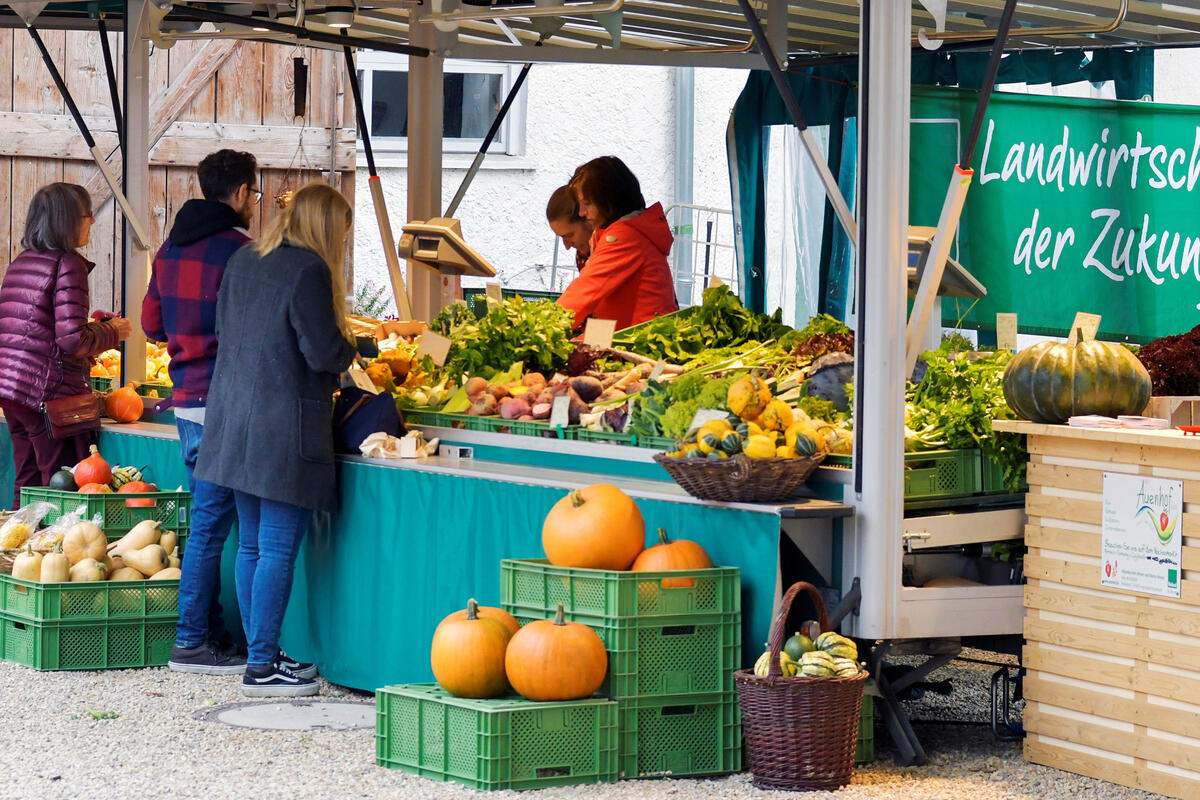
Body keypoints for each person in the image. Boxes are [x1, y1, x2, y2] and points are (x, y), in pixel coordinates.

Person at [195, 182, 357, 698]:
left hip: (232, 420)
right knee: (278, 549)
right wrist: (352, 345)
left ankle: (260, 656)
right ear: (327, 228)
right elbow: (321, 353)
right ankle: (263, 666)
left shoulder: (244, 261)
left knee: (254, 545)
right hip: (285, 426)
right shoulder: (309, 270)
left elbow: (228, 332)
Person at [144, 149, 264, 675]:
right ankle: (191, 641)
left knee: (205, 522)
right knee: (213, 527)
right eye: (255, 193)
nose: (255, 203)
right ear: (240, 192)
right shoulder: (242, 251)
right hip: (229, 402)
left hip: (186, 403)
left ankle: (210, 634)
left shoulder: (170, 249)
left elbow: (151, 325)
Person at [0, 183, 131, 507]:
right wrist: (113, 331)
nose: (92, 222)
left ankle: (17, 552)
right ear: (68, 220)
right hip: (49, 397)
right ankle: (49, 553)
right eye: (88, 215)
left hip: (13, 390)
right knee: (58, 489)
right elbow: (71, 341)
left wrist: (93, 329)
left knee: (27, 483)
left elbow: (36, 332)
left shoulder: (22, 261)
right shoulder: (67, 264)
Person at [555, 156, 678, 331]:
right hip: (627, 333)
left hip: (643, 340)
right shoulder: (617, 232)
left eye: (587, 204)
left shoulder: (626, 237)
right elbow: (607, 308)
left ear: (608, 201)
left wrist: (542, 327)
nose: (581, 212)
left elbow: (585, 292)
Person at [545, 184, 592, 272]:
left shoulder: (613, 251)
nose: (567, 246)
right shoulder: (582, 256)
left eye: (570, 235)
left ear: (588, 219)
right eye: (562, 237)